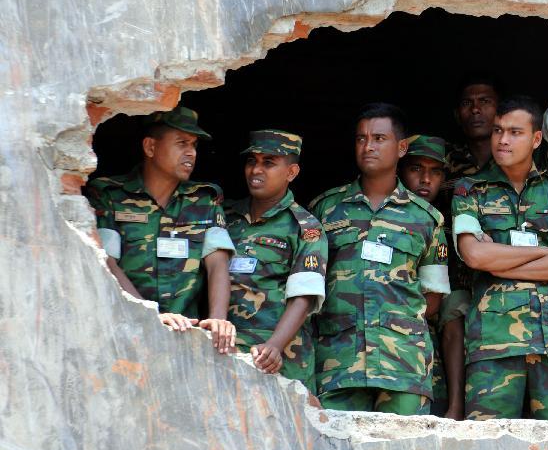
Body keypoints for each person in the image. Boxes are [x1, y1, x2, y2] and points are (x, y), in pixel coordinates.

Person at [452, 96, 548, 420]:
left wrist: (499, 263)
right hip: (493, 341)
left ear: (535, 139)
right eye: (498, 131)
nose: (503, 140)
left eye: (515, 132)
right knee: (487, 448)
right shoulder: (470, 191)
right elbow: (474, 255)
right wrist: (545, 252)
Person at [309, 103, 451, 415]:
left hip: (403, 365)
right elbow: (309, 282)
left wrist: (390, 323)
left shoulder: (427, 218)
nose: (368, 146)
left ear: (401, 148)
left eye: (378, 138)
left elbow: (434, 297)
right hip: (339, 361)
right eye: (361, 139)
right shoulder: (326, 209)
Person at [85, 106, 236, 354]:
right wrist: (148, 315)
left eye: (194, 145)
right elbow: (106, 261)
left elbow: (217, 261)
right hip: (123, 331)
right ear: (150, 147)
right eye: (182, 143)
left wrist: (218, 319)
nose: (191, 153)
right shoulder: (110, 194)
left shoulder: (205, 199)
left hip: (187, 336)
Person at [224, 130, 328, 389]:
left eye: (268, 162)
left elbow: (304, 296)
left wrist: (275, 346)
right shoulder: (225, 216)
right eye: (251, 161)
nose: (256, 170)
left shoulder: (305, 227)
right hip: (225, 349)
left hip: (278, 357)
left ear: (291, 173)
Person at [444, 30, 548, 180]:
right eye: (467, 102)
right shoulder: (441, 161)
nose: (475, 109)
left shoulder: (529, 150)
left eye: (485, 101)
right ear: (457, 115)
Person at [398, 134, 465, 419]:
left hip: (423, 326)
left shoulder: (444, 218)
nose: (426, 179)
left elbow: (437, 300)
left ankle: (455, 406)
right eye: (416, 169)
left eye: (435, 172)